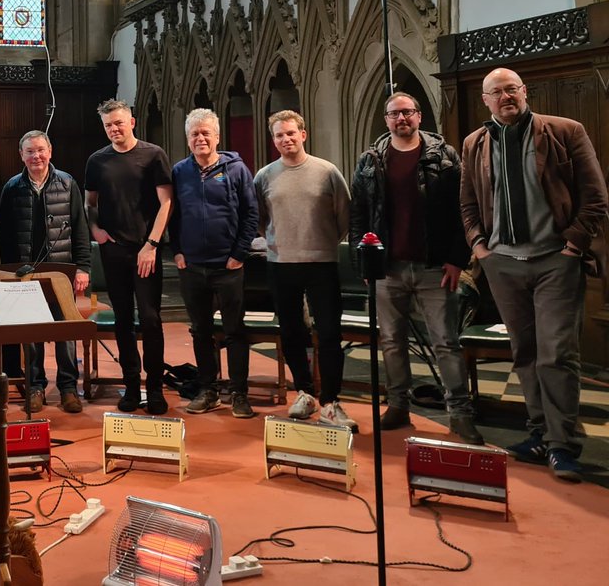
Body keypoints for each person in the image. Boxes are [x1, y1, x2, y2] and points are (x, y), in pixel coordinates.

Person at [460, 67, 608, 481]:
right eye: (497, 92)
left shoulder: (564, 131)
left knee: (557, 353)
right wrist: (480, 248)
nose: (506, 96)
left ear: (525, 92)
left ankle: (562, 445)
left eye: (512, 89)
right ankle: (540, 432)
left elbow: (595, 198)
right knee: (524, 351)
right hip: (503, 264)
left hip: (554, 261)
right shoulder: (475, 143)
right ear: (485, 100)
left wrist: (572, 246)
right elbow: (468, 203)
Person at [349, 93, 482, 443]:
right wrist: (366, 261)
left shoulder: (445, 157)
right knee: (391, 341)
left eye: (407, 112)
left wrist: (457, 259)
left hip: (434, 266)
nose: (401, 119)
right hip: (388, 267)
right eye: (394, 114)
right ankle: (398, 405)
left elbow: (463, 209)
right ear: (386, 119)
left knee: (446, 343)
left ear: (419, 116)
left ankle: (460, 414)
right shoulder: (370, 160)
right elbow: (359, 213)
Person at [254, 110, 357, 431]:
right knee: (291, 333)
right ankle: (305, 393)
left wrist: (322, 242)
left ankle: (331, 400)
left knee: (328, 333)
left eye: (290, 133)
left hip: (322, 262)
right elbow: (259, 219)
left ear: (303, 134)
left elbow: (344, 216)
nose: (285, 139)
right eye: (279, 135)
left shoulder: (327, 172)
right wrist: (277, 242)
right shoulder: (264, 176)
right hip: (281, 263)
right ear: (274, 141)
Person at [84, 99, 173, 415]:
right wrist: (96, 230)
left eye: (119, 123)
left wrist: (151, 244)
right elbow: (90, 203)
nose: (114, 129)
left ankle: (156, 389)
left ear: (131, 122)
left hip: (146, 250)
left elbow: (166, 203)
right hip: (115, 250)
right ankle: (132, 387)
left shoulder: (152, 155)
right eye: (108, 125)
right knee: (123, 320)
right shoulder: (97, 160)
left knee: (150, 318)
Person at [169, 109, 259, 419]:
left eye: (206, 133)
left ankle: (239, 393)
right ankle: (208, 390)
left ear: (217, 137)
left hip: (228, 265)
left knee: (234, 331)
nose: (200, 138)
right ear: (188, 139)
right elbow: (172, 214)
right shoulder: (180, 171)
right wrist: (177, 251)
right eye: (194, 134)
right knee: (201, 331)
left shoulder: (236, 170)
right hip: (192, 266)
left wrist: (239, 253)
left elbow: (251, 214)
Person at [0, 129, 92, 414]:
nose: (36, 156)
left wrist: (83, 268)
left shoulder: (67, 183)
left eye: (40, 150)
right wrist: (8, 273)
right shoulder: (12, 188)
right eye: (30, 151)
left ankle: (67, 388)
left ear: (50, 151)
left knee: (65, 333)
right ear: (21, 156)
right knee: (33, 333)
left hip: (62, 272)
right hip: (25, 274)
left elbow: (81, 228)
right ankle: (36, 386)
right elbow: (5, 236)